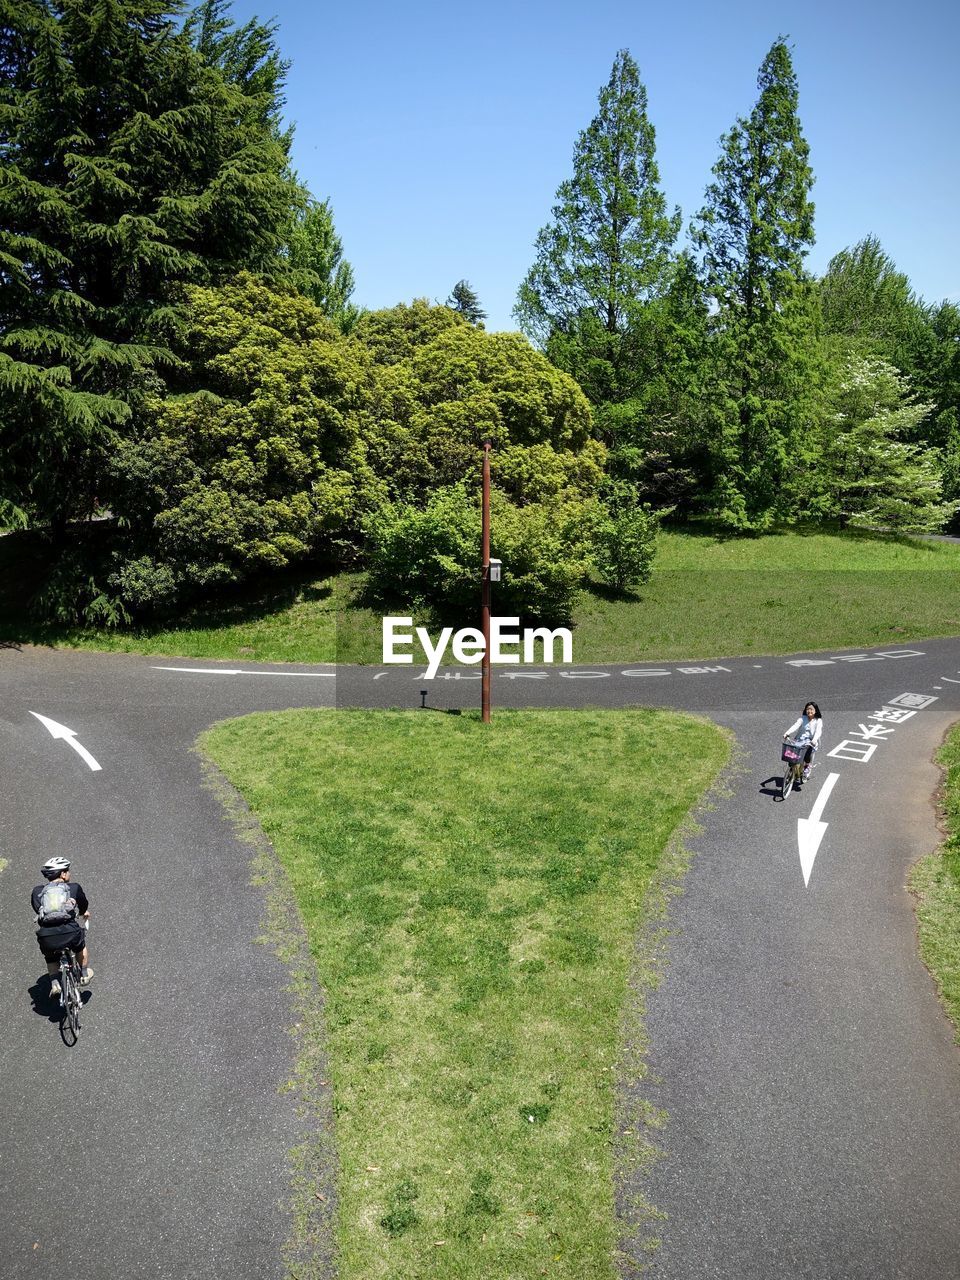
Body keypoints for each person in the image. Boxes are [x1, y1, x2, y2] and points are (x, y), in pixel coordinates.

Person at [31, 856, 92, 996]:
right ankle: (83, 974)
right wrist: (83, 913)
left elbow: (38, 910)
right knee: (80, 945)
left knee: (51, 957)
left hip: (47, 936)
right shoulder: (74, 887)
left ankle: (55, 983)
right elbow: (83, 905)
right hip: (69, 931)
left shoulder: (37, 891)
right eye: (67, 871)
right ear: (63, 874)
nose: (69, 873)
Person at [784, 701, 823, 782]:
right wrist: (787, 733)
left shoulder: (818, 721)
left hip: (810, 742)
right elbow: (795, 726)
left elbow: (818, 731)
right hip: (799, 741)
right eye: (808, 709)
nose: (809, 711)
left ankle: (806, 769)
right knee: (792, 757)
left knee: (806, 756)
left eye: (811, 709)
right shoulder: (802, 719)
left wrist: (814, 740)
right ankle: (792, 771)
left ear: (815, 710)